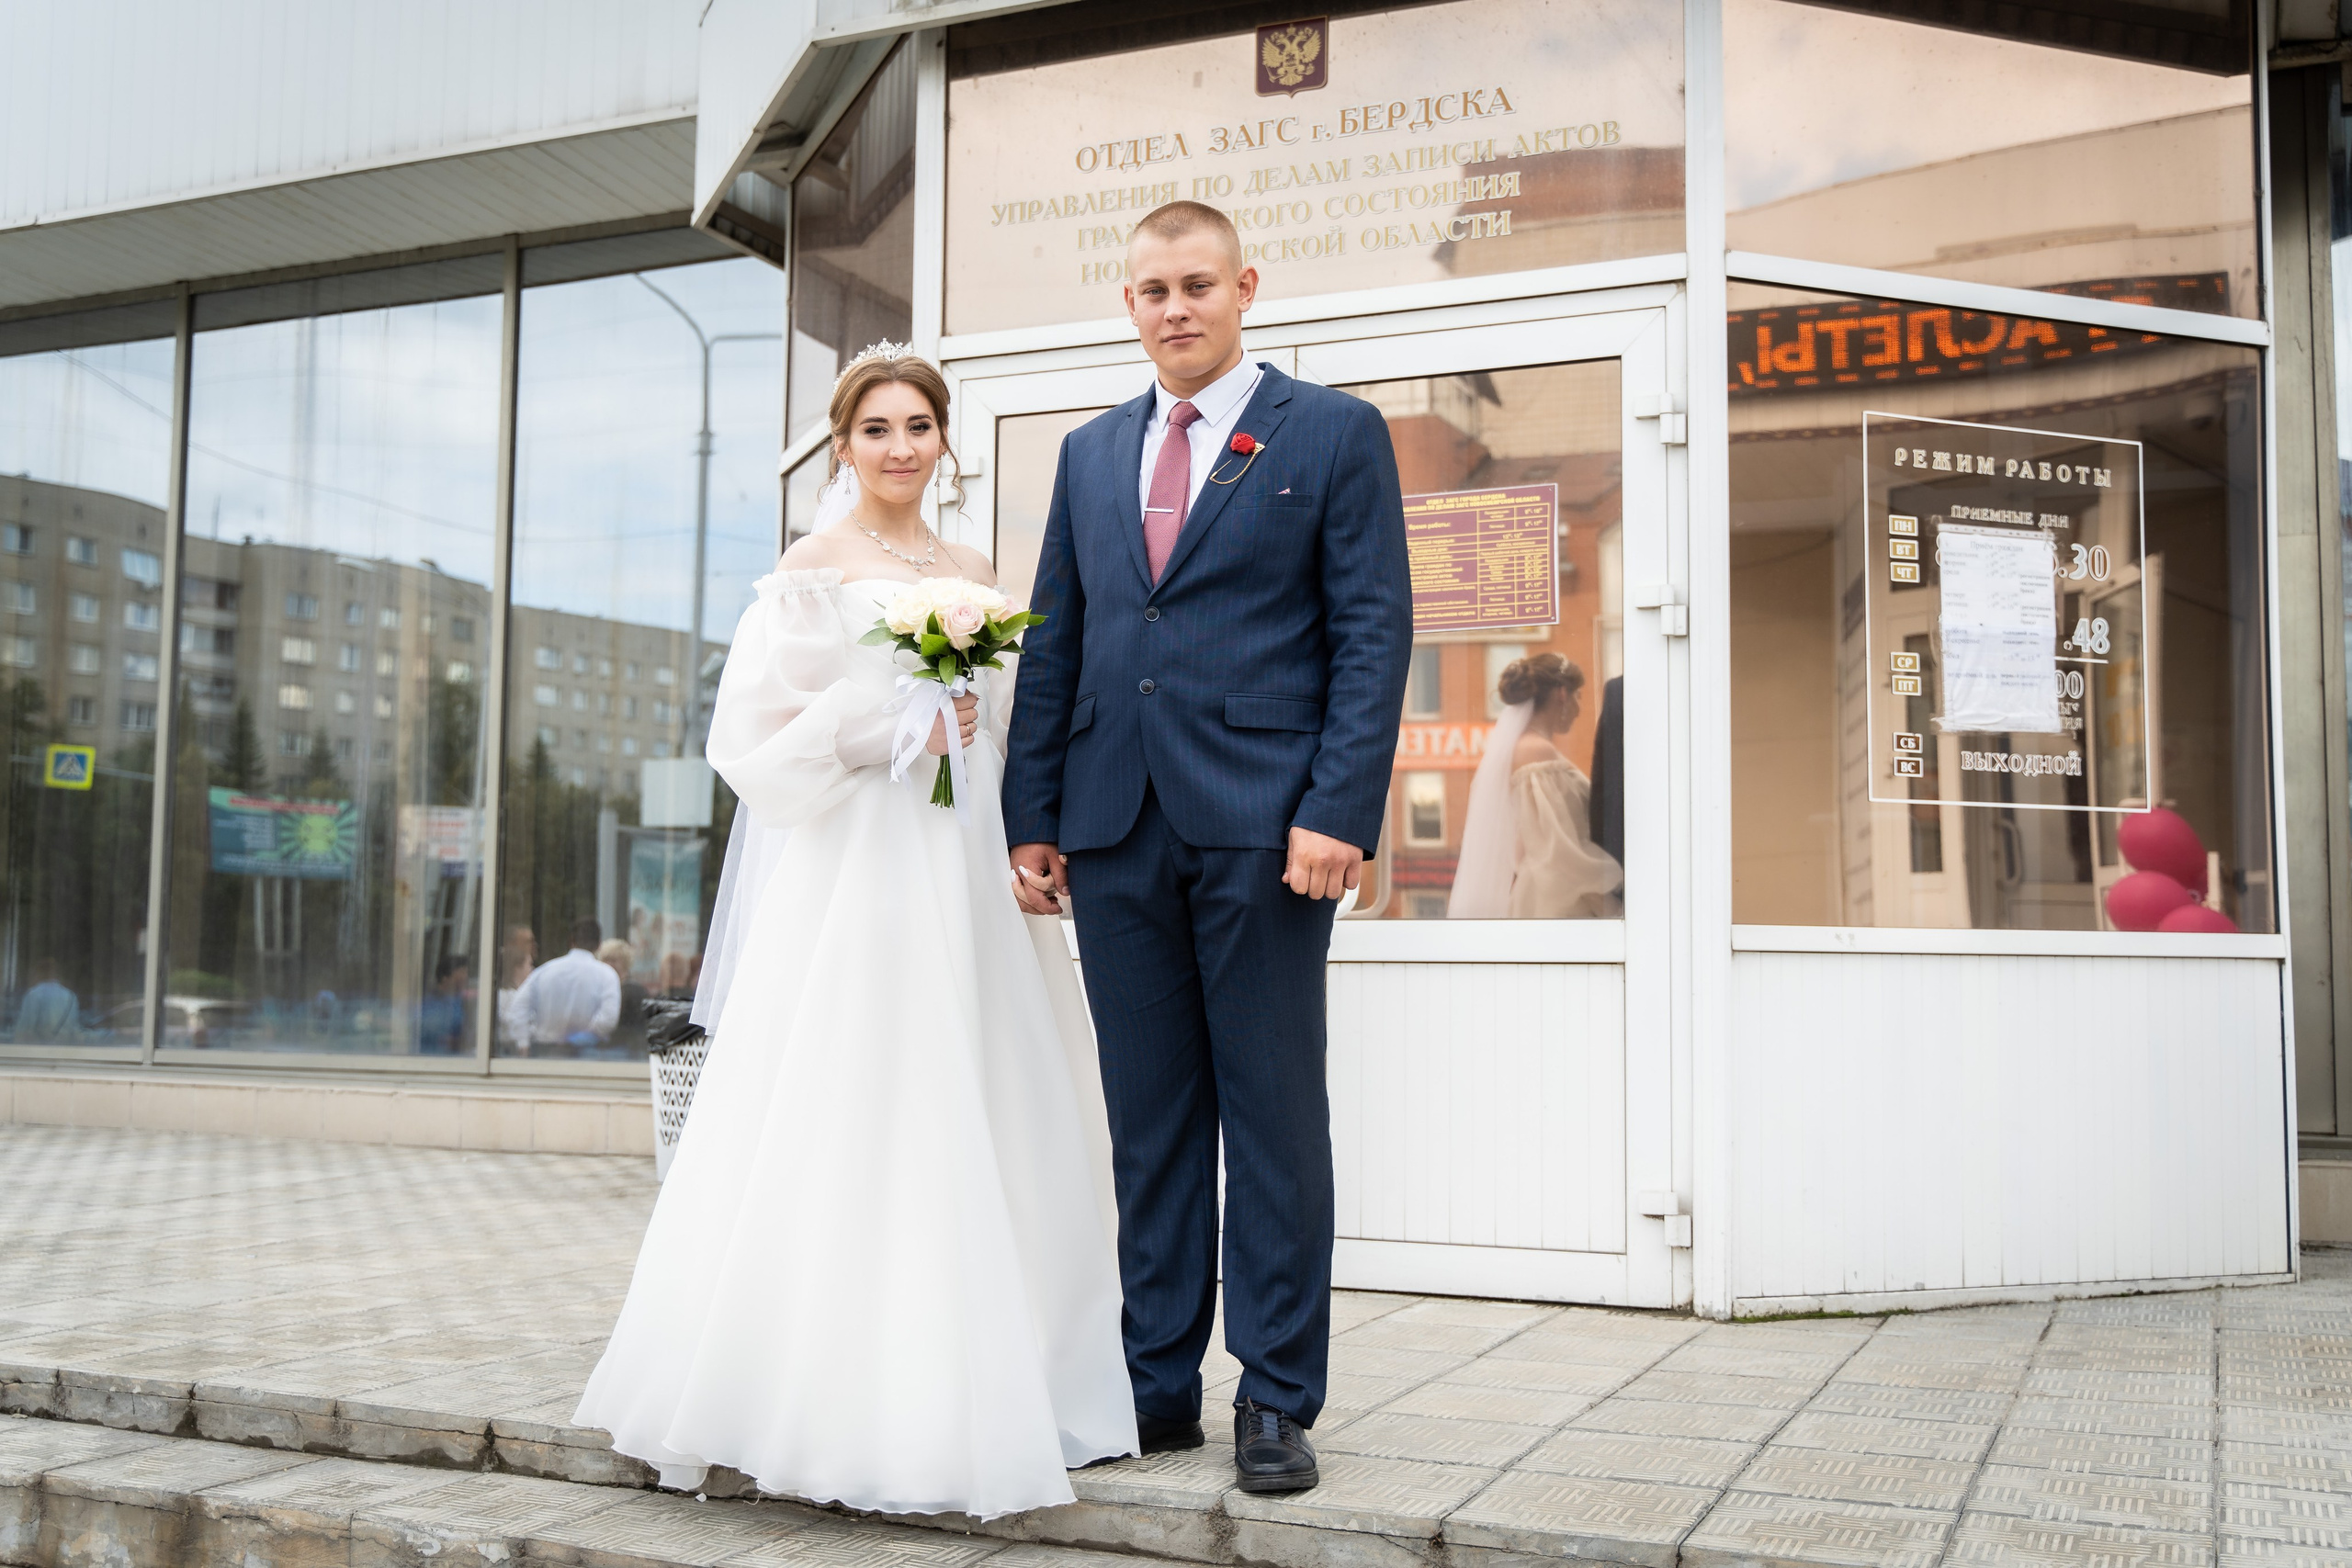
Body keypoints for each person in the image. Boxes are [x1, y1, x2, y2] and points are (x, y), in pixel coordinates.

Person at [573, 344, 1133, 1519]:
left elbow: (1006, 725)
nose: (897, 446)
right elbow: (754, 736)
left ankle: (1007, 1371)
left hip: (964, 855)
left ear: (943, 444)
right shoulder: (811, 568)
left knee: (986, 1084)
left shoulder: (974, 569)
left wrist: (967, 720)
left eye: (917, 426)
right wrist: (888, 731)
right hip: (866, 864)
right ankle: (825, 1392)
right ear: (844, 447)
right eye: (875, 428)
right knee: (860, 1085)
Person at [1002, 200, 1412, 1494]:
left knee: (1275, 1116)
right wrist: (1034, 813)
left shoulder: (1332, 432)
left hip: (1267, 826)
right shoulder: (1087, 452)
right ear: (1128, 304)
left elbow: (1372, 631)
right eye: (1149, 290)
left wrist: (1338, 807)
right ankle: (1157, 1381)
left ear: (1244, 287)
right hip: (1116, 826)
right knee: (1152, 1119)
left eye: (1194, 284)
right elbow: (1058, 638)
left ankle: (1278, 1395)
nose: (1172, 308)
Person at [1449, 653, 1622, 919]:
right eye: (1579, 696)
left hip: (1547, 892)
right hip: (1557, 901)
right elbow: (1557, 849)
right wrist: (1613, 894)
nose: (1580, 709)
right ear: (1562, 694)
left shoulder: (1526, 747)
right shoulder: (1536, 751)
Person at [511, 919, 620, 1053]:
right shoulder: (607, 975)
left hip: (545, 1052)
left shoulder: (545, 971)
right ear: (599, 945)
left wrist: (523, 1043)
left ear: (571, 941)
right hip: (587, 1054)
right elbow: (608, 1020)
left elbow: (518, 1008)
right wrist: (579, 1039)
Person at [12, 958, 78, 1043]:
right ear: (56, 973)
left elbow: (25, 1028)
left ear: (39, 973)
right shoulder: (70, 996)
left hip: (39, 1050)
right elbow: (74, 1028)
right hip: (64, 1050)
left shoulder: (33, 994)